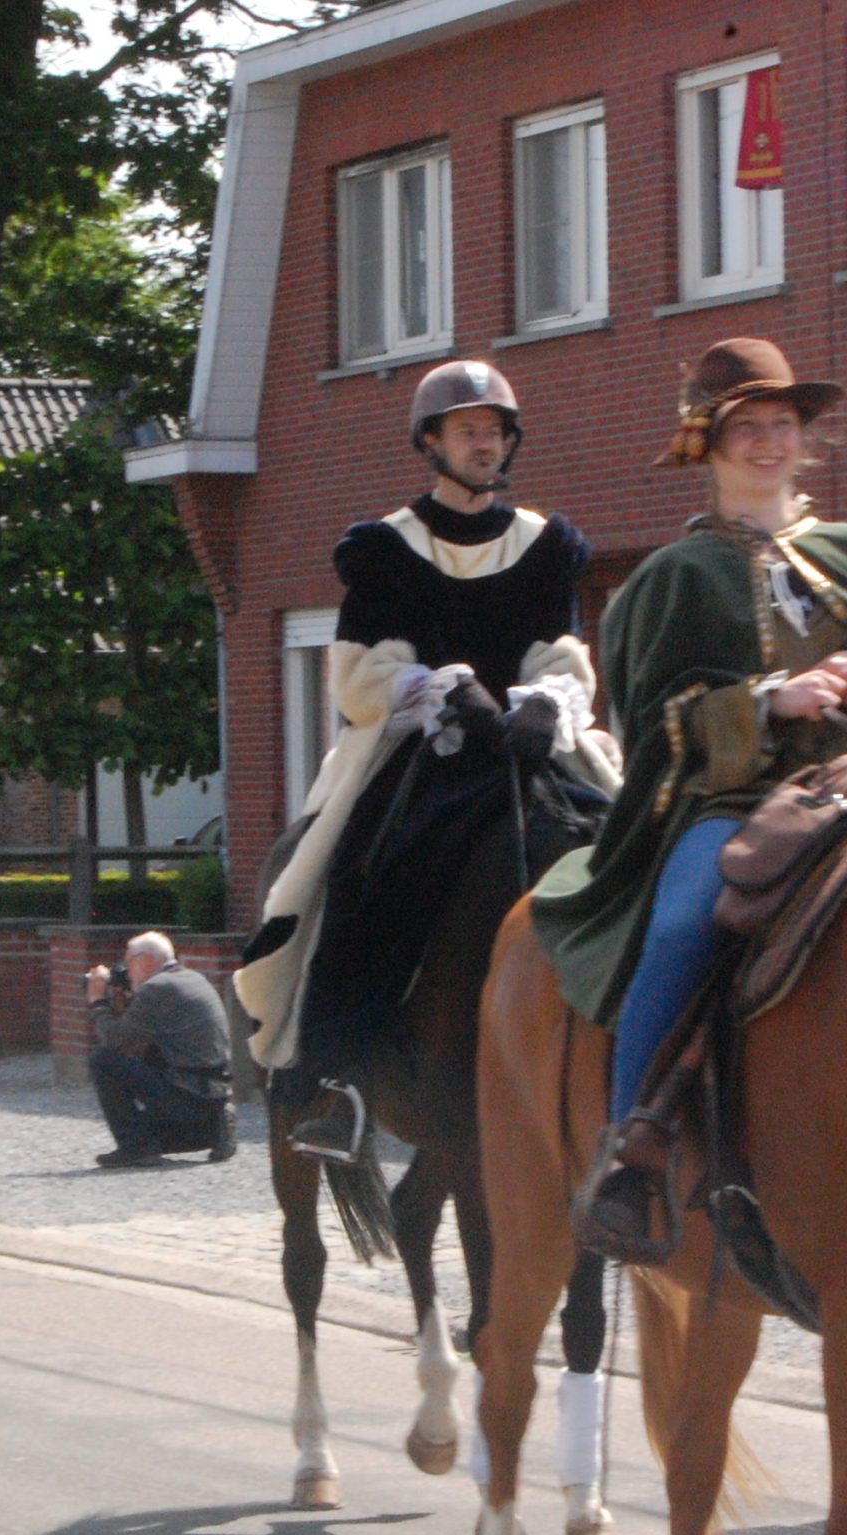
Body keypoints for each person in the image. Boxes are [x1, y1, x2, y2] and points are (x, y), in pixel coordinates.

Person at [530, 338, 847, 1258]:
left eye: (783, 426)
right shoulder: (669, 581)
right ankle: (631, 1148)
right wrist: (766, 701)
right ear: (706, 445)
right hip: (734, 801)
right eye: (747, 427)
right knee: (685, 923)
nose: (768, 443)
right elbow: (654, 722)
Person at [233, 359, 619, 1153]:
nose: (485, 442)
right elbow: (358, 675)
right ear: (432, 442)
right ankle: (330, 1077)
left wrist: (543, 704)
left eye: (495, 430)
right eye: (468, 429)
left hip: (528, 744)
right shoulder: (384, 549)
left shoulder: (546, 545)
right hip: (422, 749)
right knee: (357, 870)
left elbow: (562, 650)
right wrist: (444, 690)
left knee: (629, 840)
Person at [87, 931, 235, 1168]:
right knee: (152, 1130)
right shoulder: (194, 978)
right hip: (213, 1094)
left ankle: (135, 1148)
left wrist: (98, 1002)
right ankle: (215, 1129)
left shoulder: (157, 988)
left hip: (187, 1096)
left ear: (144, 960)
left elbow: (115, 1040)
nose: (126, 970)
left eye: (128, 963)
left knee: (102, 1059)